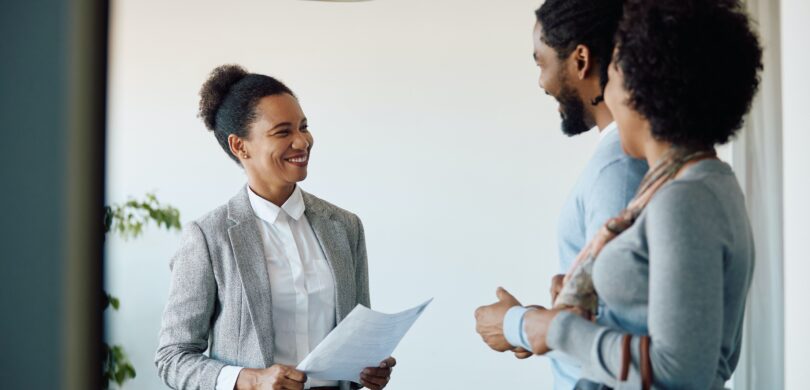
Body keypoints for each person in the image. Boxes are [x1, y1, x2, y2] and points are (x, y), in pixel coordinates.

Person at [475, 0, 762, 388]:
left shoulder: (684, 201)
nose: (607, 95)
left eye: (614, 74)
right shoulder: (701, 183)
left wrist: (543, 327)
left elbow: (678, 371)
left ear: (644, 87)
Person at [155, 65, 395, 390]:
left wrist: (369, 369)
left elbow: (358, 336)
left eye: (303, 127)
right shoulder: (208, 237)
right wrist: (249, 380)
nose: (302, 141)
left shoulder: (345, 227)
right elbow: (173, 357)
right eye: (283, 132)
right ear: (240, 146)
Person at [476, 0, 647, 389]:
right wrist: (543, 321)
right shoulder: (616, 159)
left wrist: (517, 326)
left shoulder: (618, 169)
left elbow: (623, 334)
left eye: (541, 62)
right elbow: (607, 312)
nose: (541, 82)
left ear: (580, 60)